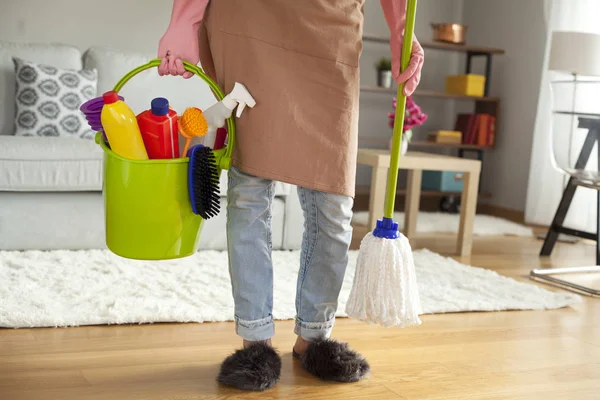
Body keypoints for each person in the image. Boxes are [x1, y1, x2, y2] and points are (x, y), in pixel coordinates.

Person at [157, 0, 424, 391]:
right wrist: (184, 20)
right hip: (250, 19)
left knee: (333, 202)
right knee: (249, 192)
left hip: (330, 26)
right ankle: (255, 341)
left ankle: (314, 338)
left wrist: (401, 24)